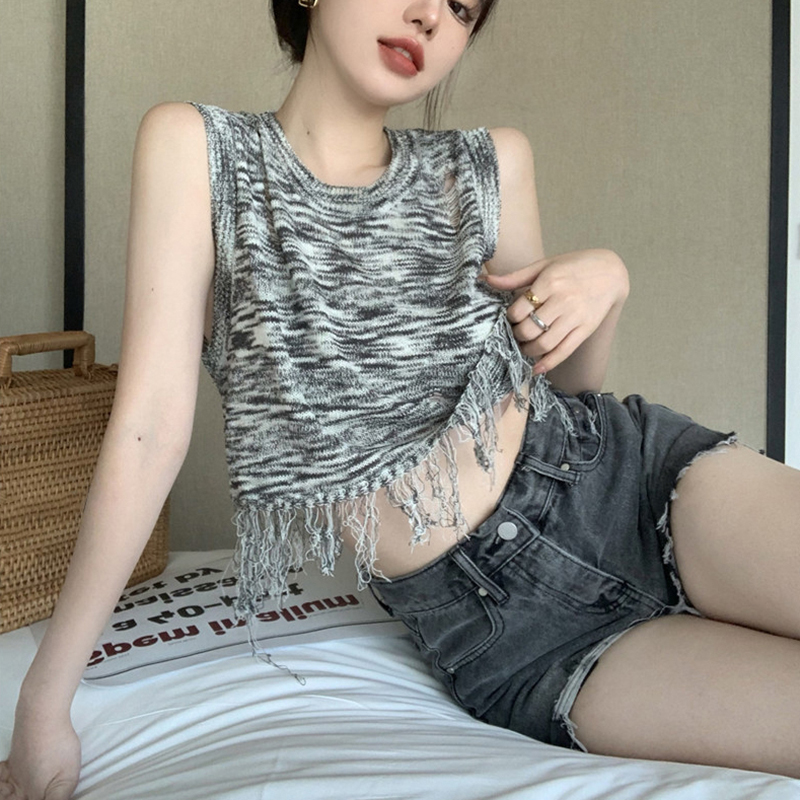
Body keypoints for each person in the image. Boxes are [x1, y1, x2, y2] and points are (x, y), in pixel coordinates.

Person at [2, 1, 800, 796]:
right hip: (511, 627)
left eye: (461, 9)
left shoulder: (491, 162)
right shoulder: (197, 149)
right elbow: (148, 432)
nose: (428, 18)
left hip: (632, 481)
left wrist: (606, 287)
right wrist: (44, 705)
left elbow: (564, 386)